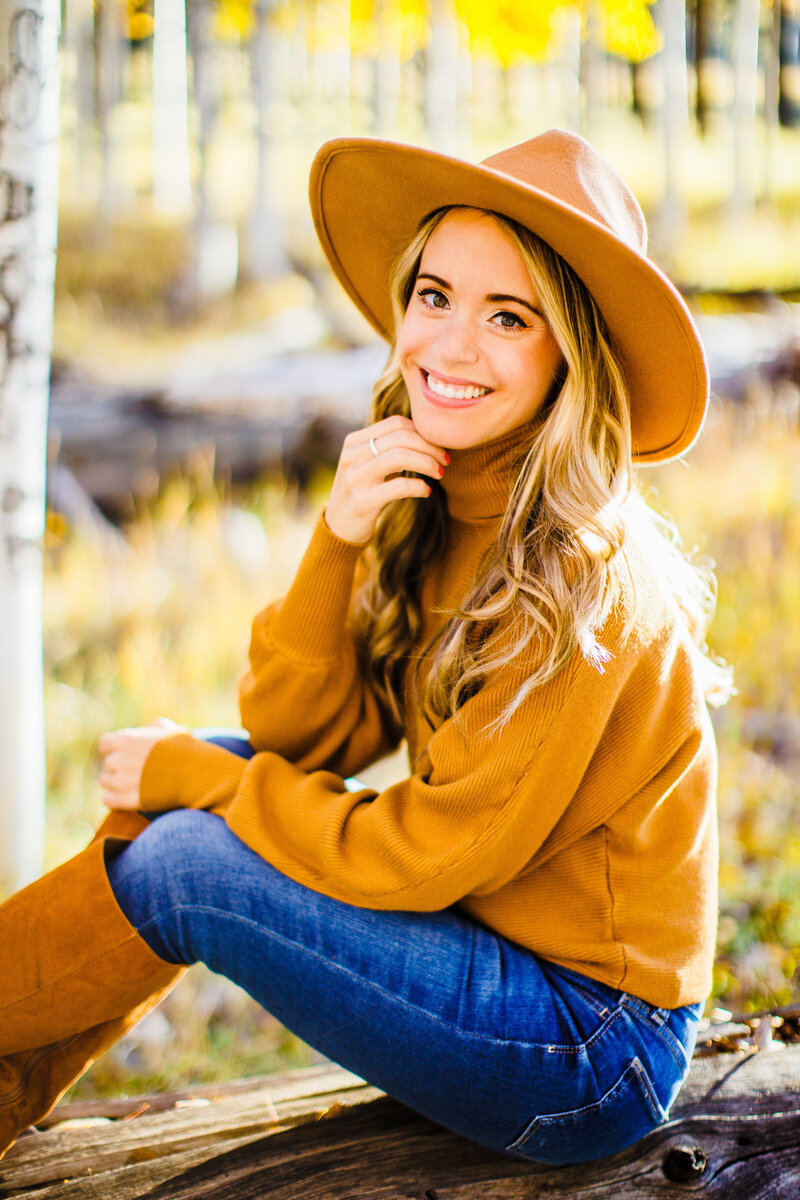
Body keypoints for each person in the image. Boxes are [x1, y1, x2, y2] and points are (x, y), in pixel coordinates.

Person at [0, 129, 729, 1166]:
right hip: (494, 952)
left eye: (507, 316)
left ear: (570, 355)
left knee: (190, 861)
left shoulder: (581, 582)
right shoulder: (438, 495)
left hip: (589, 1044)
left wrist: (204, 781)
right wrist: (336, 542)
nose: (449, 344)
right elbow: (297, 737)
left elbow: (428, 852)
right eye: (433, 296)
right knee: (188, 792)